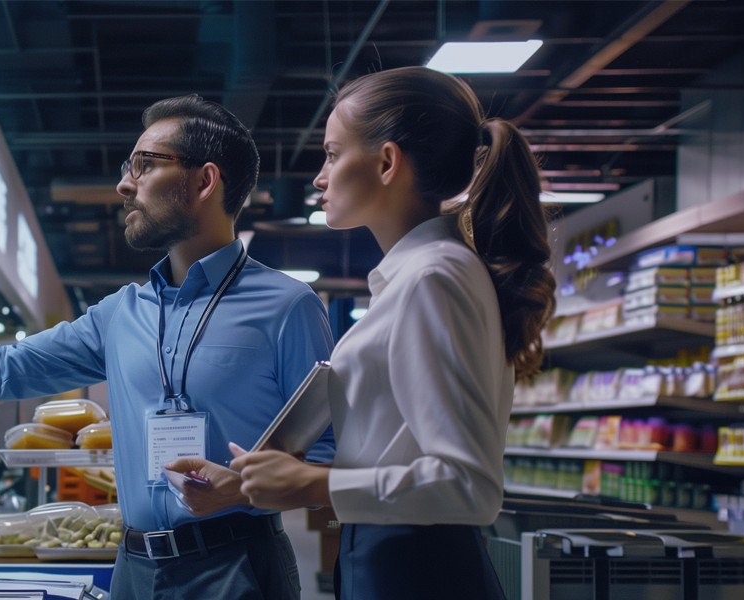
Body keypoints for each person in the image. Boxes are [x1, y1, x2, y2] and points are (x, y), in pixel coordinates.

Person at [0, 95, 334, 600]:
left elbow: (333, 466)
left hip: (235, 568)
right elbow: (4, 372)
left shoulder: (286, 307)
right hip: (132, 569)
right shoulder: (120, 313)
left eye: (143, 164)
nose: (124, 185)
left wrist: (239, 489)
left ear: (205, 180)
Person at [228, 66, 556, 599]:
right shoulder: (424, 274)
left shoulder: (432, 278)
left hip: (417, 567)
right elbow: (403, 453)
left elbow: (469, 485)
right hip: (399, 557)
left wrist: (316, 482)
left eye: (333, 154)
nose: (318, 176)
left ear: (386, 162)